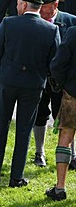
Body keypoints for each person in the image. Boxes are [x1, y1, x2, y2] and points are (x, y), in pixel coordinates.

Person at [0, 0, 60, 188]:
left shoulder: (9, 23)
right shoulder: (50, 30)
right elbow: (53, 61)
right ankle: (16, 176)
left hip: (8, 81)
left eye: (19, 2)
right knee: (24, 130)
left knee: (1, 126)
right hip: (33, 86)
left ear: (24, 4)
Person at [32, 0, 76, 168]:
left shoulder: (70, 22)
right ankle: (39, 152)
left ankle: (72, 154)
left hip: (64, 82)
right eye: (39, 8)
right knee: (40, 115)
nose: (42, 12)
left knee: (67, 120)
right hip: (41, 78)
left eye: (46, 7)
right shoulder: (34, 21)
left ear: (56, 3)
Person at [45, 26, 76, 201]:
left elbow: (56, 65)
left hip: (72, 94)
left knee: (65, 137)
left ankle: (60, 188)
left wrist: (65, 85)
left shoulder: (72, 33)